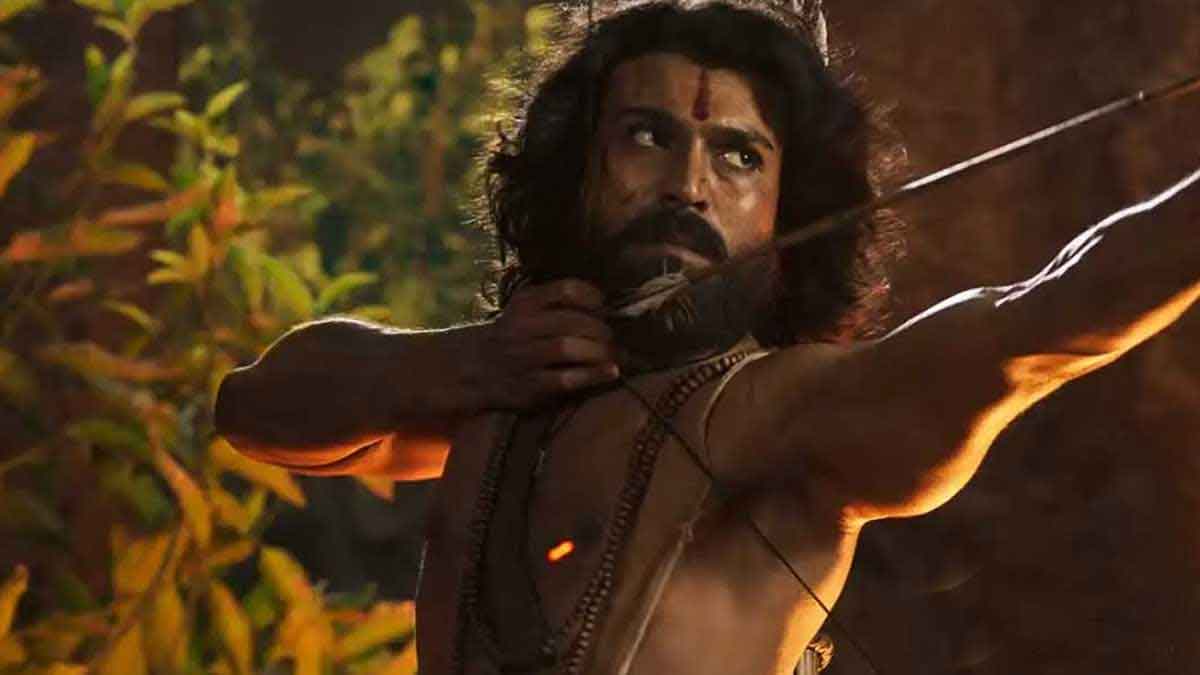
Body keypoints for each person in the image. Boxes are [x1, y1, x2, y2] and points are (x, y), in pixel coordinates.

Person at [213, 2, 1200, 673]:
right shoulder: (491, 396)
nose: (688, 187)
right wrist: (470, 360)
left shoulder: (789, 416)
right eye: (648, 137)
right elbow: (251, 407)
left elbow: (1051, 314)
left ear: (787, 212)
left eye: (738, 157)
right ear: (574, 167)